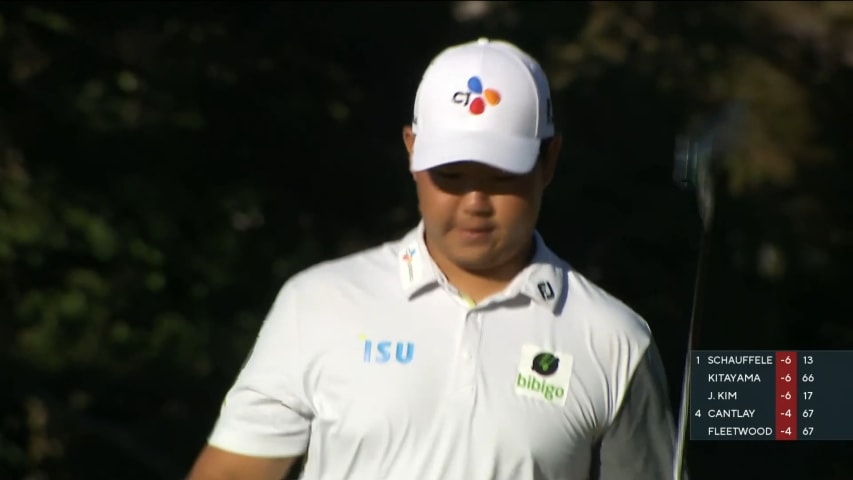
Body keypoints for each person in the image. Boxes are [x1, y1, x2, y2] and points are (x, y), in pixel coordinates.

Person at [188, 37, 682, 480]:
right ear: (412, 150)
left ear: (548, 160)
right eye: (450, 174)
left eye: (501, 175)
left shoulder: (616, 340)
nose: (474, 202)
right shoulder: (317, 304)